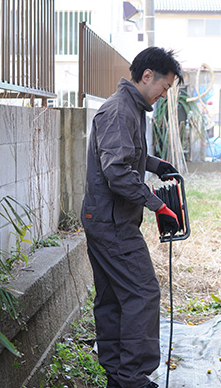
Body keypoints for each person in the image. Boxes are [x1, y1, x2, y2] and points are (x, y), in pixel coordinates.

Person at [81, 47, 183, 388]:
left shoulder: (132, 108)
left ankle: (117, 376)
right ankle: (133, 379)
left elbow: (126, 152)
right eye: (165, 86)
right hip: (112, 224)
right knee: (142, 292)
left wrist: (155, 165)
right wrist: (156, 204)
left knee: (111, 297)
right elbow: (118, 173)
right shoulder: (119, 111)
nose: (164, 93)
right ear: (148, 75)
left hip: (105, 218)